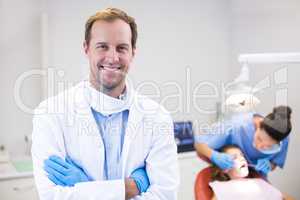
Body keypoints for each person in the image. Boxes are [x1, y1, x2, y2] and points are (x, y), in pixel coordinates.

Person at [31, 7, 179, 200]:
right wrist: (131, 187)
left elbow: (165, 195)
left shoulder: (157, 116)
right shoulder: (50, 113)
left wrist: (86, 188)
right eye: (102, 46)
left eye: (121, 48)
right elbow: (52, 195)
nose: (112, 57)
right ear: (86, 48)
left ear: (133, 52)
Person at [194, 106, 292, 176]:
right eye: (259, 139)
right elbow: (199, 144)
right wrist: (214, 155)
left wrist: (269, 165)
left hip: (256, 179)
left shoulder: (283, 138)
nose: (259, 146)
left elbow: (274, 163)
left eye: (268, 146)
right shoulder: (235, 125)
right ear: (258, 124)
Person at [209, 144, 294, 200]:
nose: (242, 158)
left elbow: (285, 197)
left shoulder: (259, 181)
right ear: (224, 169)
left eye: (242, 155)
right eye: (234, 157)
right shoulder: (222, 187)